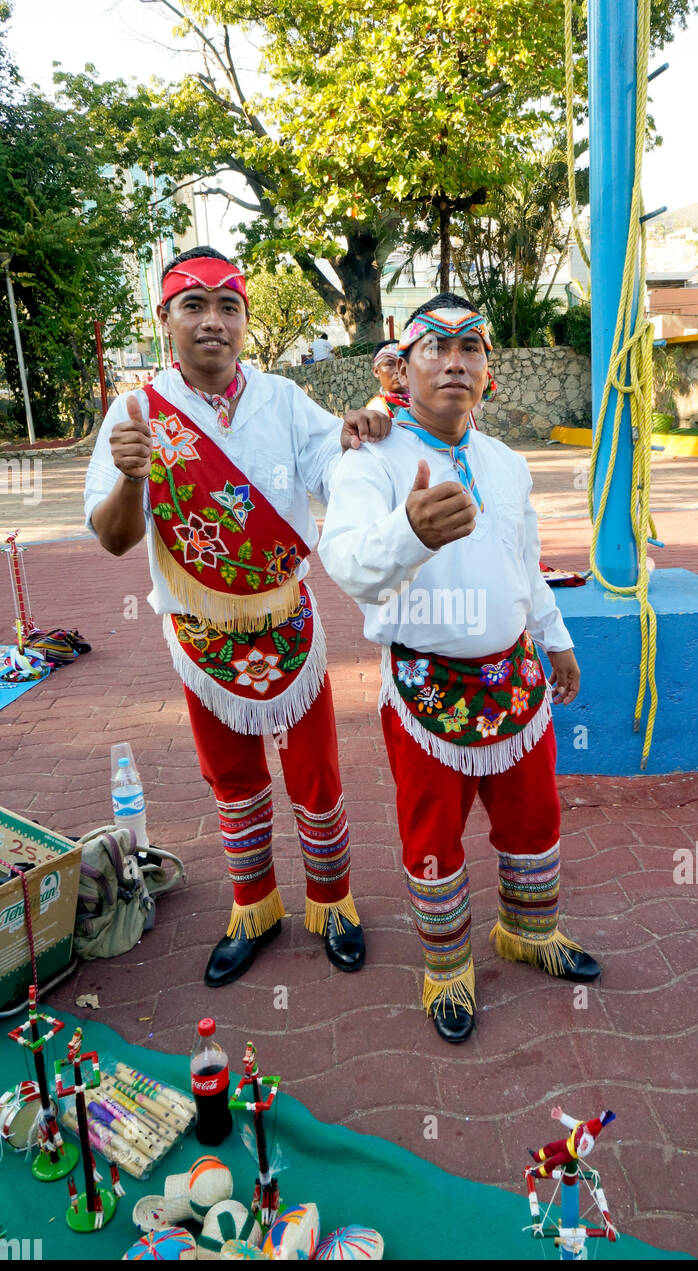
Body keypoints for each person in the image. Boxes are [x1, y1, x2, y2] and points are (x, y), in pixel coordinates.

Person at [84, 246, 390, 987]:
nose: (212, 320)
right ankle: (253, 905)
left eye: (228, 305)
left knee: (316, 774)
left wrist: (365, 429)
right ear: (165, 319)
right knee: (232, 778)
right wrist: (132, 478)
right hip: (201, 635)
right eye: (194, 304)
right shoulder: (134, 413)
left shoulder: (284, 398)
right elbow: (116, 536)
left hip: (288, 620)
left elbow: (334, 466)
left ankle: (331, 902)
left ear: (246, 319)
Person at [319, 292, 601, 1044]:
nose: (454, 361)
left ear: (487, 370)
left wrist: (556, 637)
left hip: (513, 677)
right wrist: (407, 531)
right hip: (425, 687)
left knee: (533, 817)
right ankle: (446, 970)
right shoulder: (369, 460)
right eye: (434, 348)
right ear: (399, 368)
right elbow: (345, 564)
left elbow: (524, 563)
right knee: (433, 833)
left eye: (470, 347)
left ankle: (529, 932)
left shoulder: (506, 465)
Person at [366, 340, 407, 417]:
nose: (399, 370)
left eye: (403, 363)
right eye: (390, 364)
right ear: (376, 371)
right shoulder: (376, 410)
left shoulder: (423, 401)